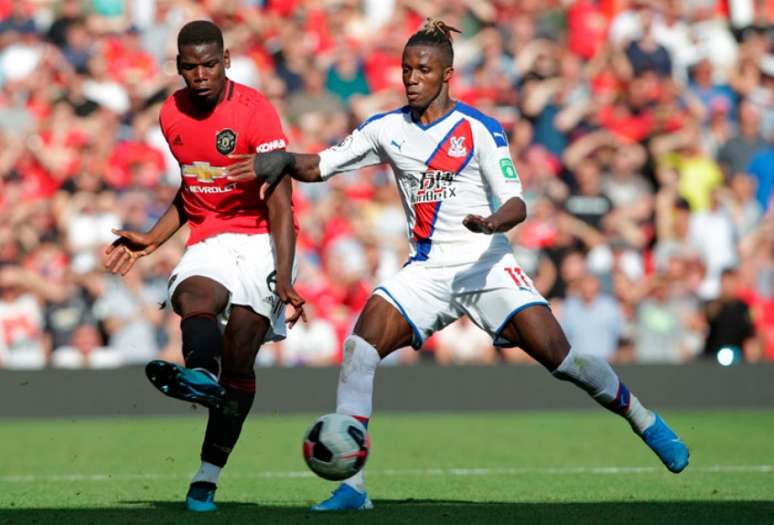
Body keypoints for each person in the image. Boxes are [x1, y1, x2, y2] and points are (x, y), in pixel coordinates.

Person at [227, 19, 689, 512]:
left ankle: (643, 418)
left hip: (485, 263)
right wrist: (272, 161)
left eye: (422, 70)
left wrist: (492, 223)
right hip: (426, 270)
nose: (411, 78)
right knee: (360, 346)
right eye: (406, 69)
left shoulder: (479, 129)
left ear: (447, 74)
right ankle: (353, 489)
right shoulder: (387, 129)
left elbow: (517, 202)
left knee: (563, 360)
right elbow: (320, 166)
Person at [103, 20, 305, 512]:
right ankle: (197, 374)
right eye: (190, 66)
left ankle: (206, 476)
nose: (200, 74)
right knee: (192, 294)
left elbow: (281, 202)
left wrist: (284, 276)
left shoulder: (256, 112)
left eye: (209, 64)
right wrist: (153, 237)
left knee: (239, 359)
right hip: (211, 235)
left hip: (262, 241)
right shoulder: (170, 113)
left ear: (227, 60)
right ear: (178, 67)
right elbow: (193, 185)